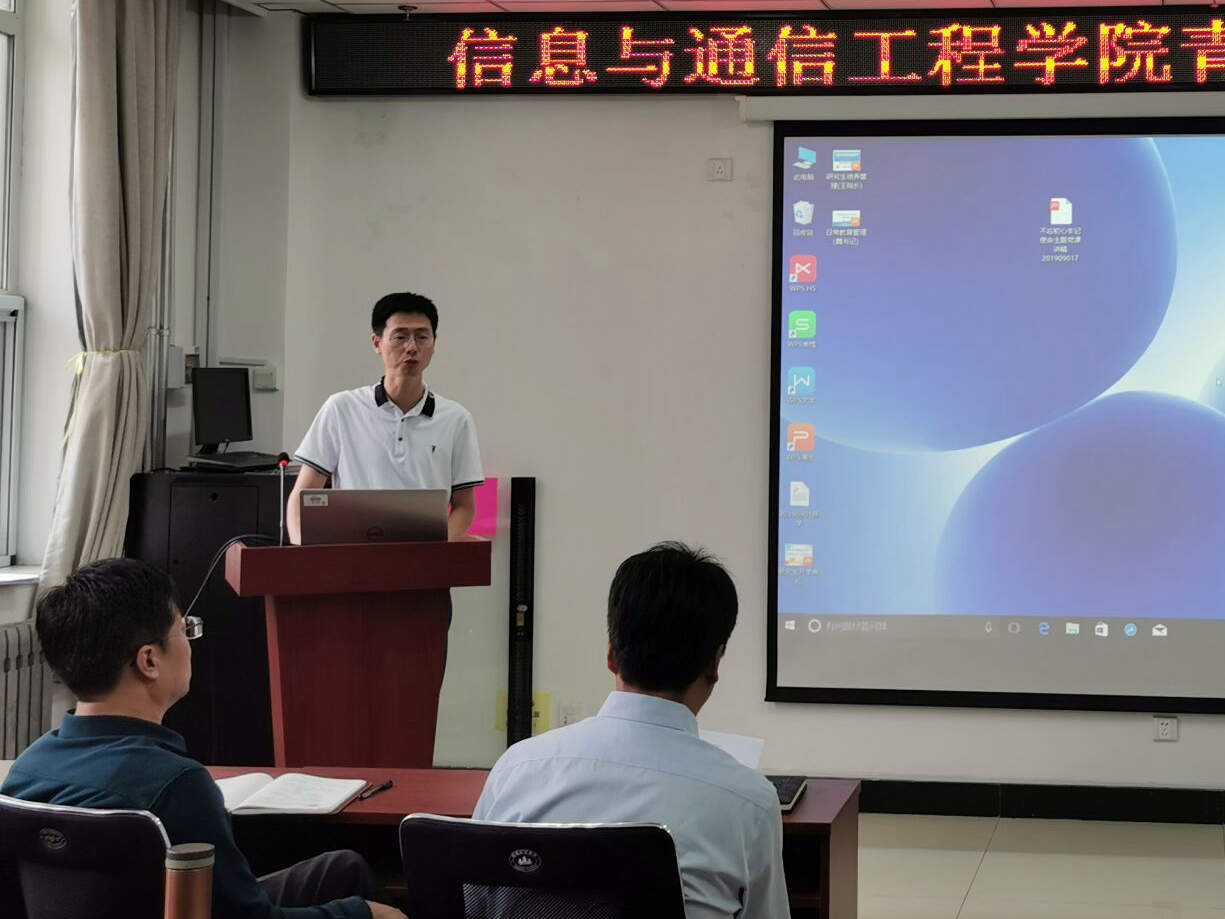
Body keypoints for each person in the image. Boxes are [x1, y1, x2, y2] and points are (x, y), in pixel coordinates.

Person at [1, 558, 406, 919]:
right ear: (149, 660)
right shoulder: (176, 786)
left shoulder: (27, 770)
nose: (191, 643)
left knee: (341, 870)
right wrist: (362, 913)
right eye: (184, 629)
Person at [473, 542, 790, 919]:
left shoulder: (516, 769)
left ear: (611, 654)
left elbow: (473, 902)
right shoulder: (747, 803)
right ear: (713, 665)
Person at [287, 291, 483, 545]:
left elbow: (465, 507)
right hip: (352, 556)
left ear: (434, 344)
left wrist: (433, 553)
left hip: (425, 561)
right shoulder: (341, 408)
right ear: (377, 343)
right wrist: (300, 548)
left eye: (422, 337)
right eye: (400, 337)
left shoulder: (456, 419)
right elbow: (303, 494)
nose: (412, 347)